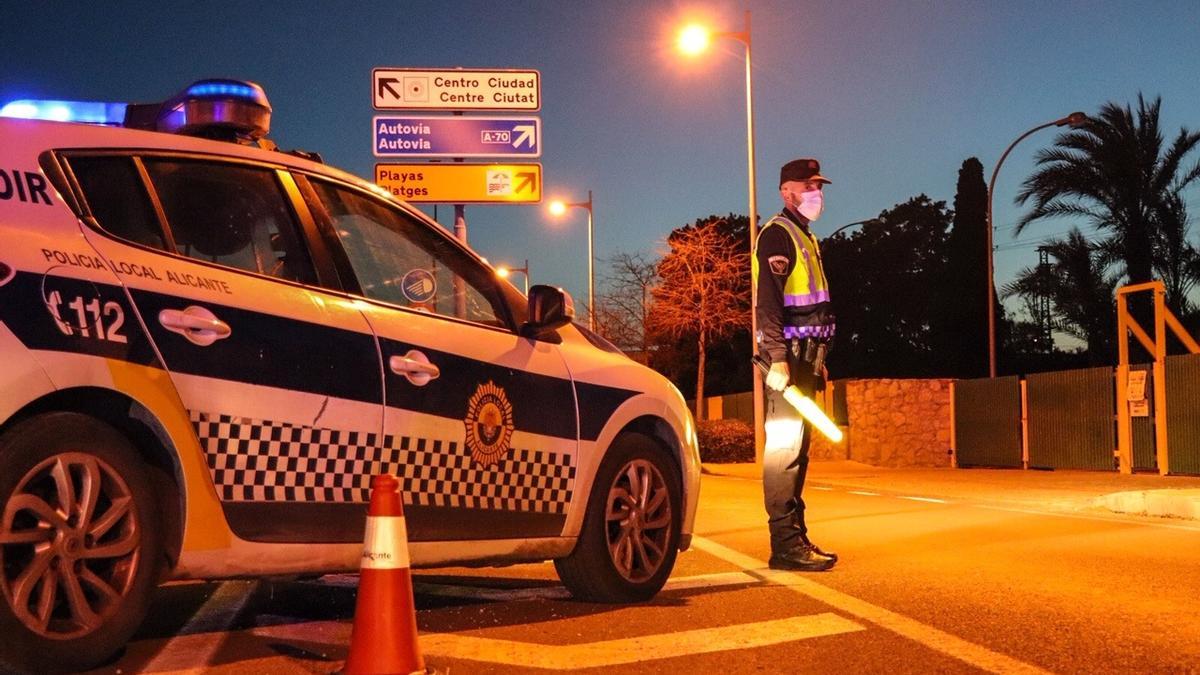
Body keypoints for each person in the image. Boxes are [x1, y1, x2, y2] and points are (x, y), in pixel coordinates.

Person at [752, 158, 839, 572]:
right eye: (808, 186)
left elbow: (814, 306)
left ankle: (794, 537)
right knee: (784, 451)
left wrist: (819, 362)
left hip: (806, 361)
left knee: (798, 452)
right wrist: (778, 360)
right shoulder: (777, 235)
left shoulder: (806, 237)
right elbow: (767, 303)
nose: (816, 194)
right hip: (786, 362)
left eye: (818, 186)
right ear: (787, 192)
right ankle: (785, 545)